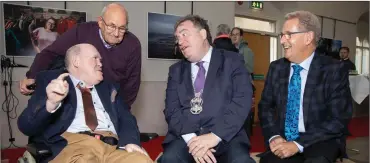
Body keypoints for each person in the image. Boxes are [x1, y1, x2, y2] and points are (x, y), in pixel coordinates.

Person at [17, 43, 153, 163]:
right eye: (95, 58)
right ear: (76, 61)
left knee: (142, 160)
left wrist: (130, 142)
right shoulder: (51, 81)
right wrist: (50, 103)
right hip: (76, 147)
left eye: (100, 59)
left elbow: (126, 119)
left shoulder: (109, 88)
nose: (100, 63)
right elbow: (25, 126)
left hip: (114, 147)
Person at [258, 11, 353, 163]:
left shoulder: (333, 70)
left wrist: (298, 144)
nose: (282, 40)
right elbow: (265, 106)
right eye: (282, 35)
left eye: (289, 34)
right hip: (283, 139)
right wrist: (273, 136)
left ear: (308, 37)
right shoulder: (276, 68)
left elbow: (339, 119)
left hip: (321, 140)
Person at [161, 15, 255, 163]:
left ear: (203, 34)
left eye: (184, 34)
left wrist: (215, 136)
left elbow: (242, 101)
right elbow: (171, 110)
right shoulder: (175, 71)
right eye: (177, 38)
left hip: (226, 136)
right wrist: (193, 141)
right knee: (170, 159)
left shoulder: (233, 61)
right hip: (186, 137)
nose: (180, 42)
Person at [19, 3, 141, 108]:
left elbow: (131, 85)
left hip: (111, 102)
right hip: (77, 98)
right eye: (112, 26)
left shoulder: (133, 45)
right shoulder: (81, 31)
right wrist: (32, 75)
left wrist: (120, 112)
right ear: (100, 22)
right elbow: (51, 52)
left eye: (122, 28)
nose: (116, 33)